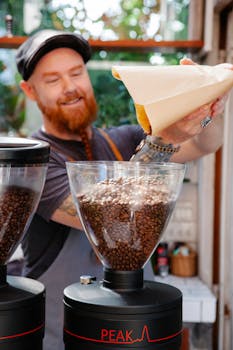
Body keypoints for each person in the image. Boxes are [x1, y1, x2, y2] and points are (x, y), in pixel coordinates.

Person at [15, 29, 232, 350]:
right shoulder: (33, 161)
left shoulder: (126, 140)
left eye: (76, 73)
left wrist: (209, 104)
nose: (71, 87)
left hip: (137, 329)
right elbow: (103, 216)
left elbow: (204, 143)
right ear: (29, 91)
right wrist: (164, 141)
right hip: (64, 334)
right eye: (53, 80)